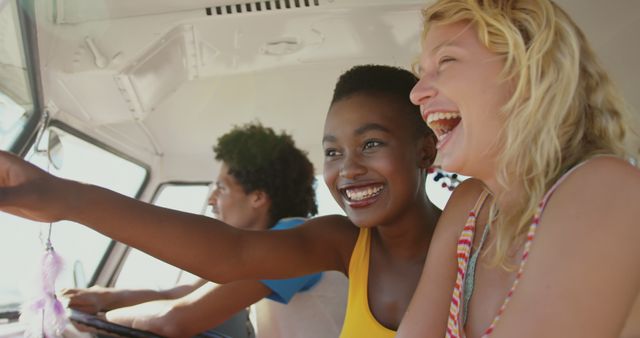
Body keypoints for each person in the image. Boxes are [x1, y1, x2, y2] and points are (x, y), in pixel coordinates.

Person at [0, 64, 441, 337]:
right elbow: (226, 257)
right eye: (332, 152)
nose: (347, 169)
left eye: (371, 144)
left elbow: (181, 312)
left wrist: (104, 316)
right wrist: (68, 199)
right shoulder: (342, 241)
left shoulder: (476, 240)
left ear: (426, 149)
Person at [396, 1, 640, 338]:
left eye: (446, 61)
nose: (416, 92)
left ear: (531, 71)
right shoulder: (470, 207)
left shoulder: (605, 189)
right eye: (422, 72)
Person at [59, 122, 348, 338]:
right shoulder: (264, 250)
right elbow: (182, 293)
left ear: (258, 197)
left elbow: (174, 319)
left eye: (221, 188)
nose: (211, 199)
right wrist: (104, 296)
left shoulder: (292, 241)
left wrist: (100, 320)